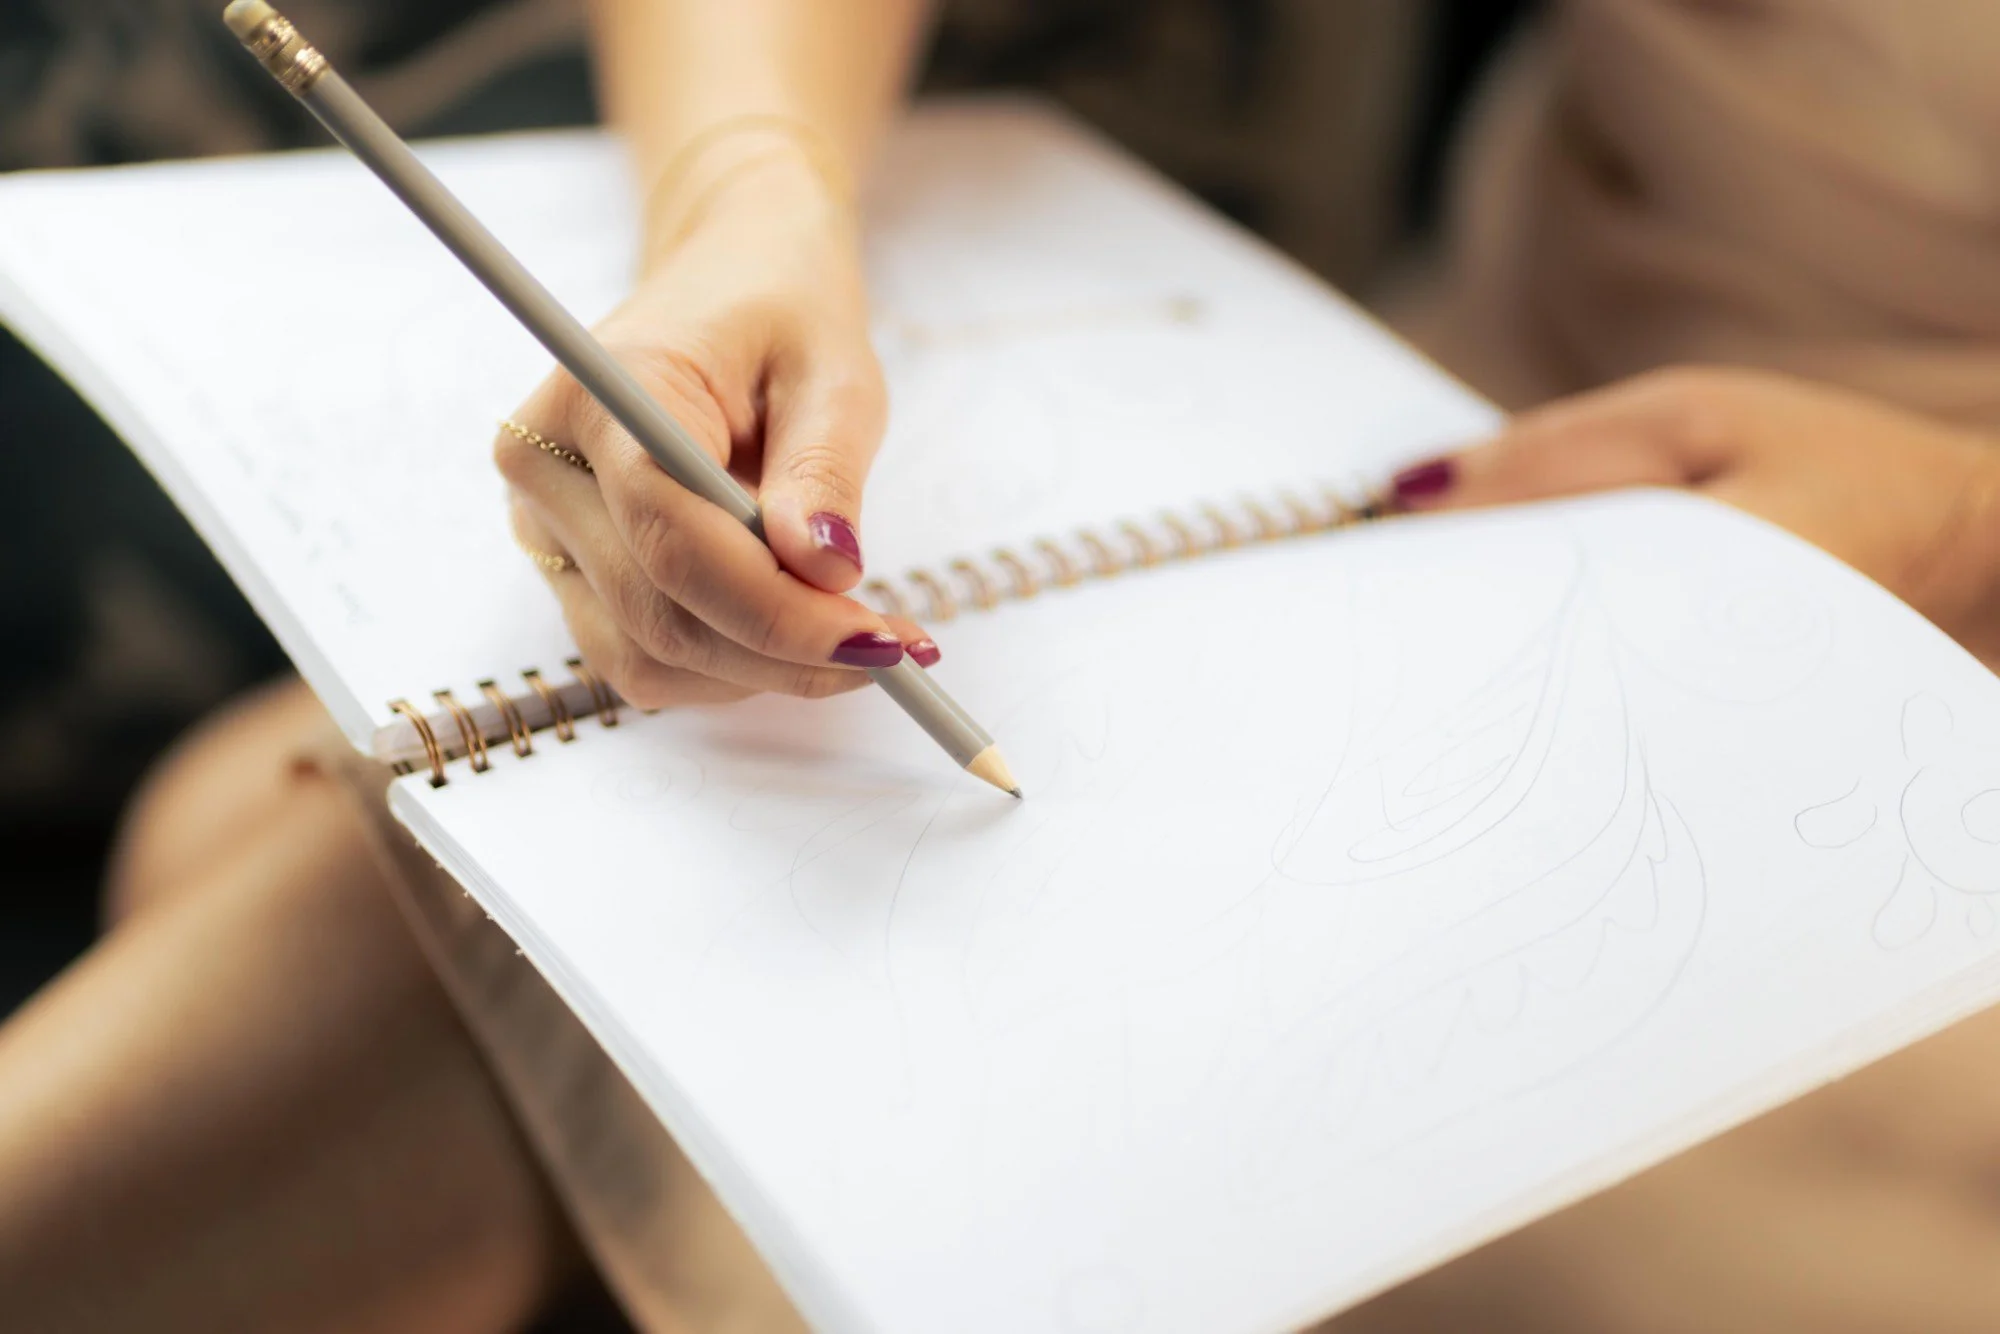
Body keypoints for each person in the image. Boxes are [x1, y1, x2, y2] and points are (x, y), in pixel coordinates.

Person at [8, 4, 2000, 1333]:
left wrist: (1957, 515)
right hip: (1433, 421)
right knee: (616, 851)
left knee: (620, 955)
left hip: (1925, 709)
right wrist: (747, 192)